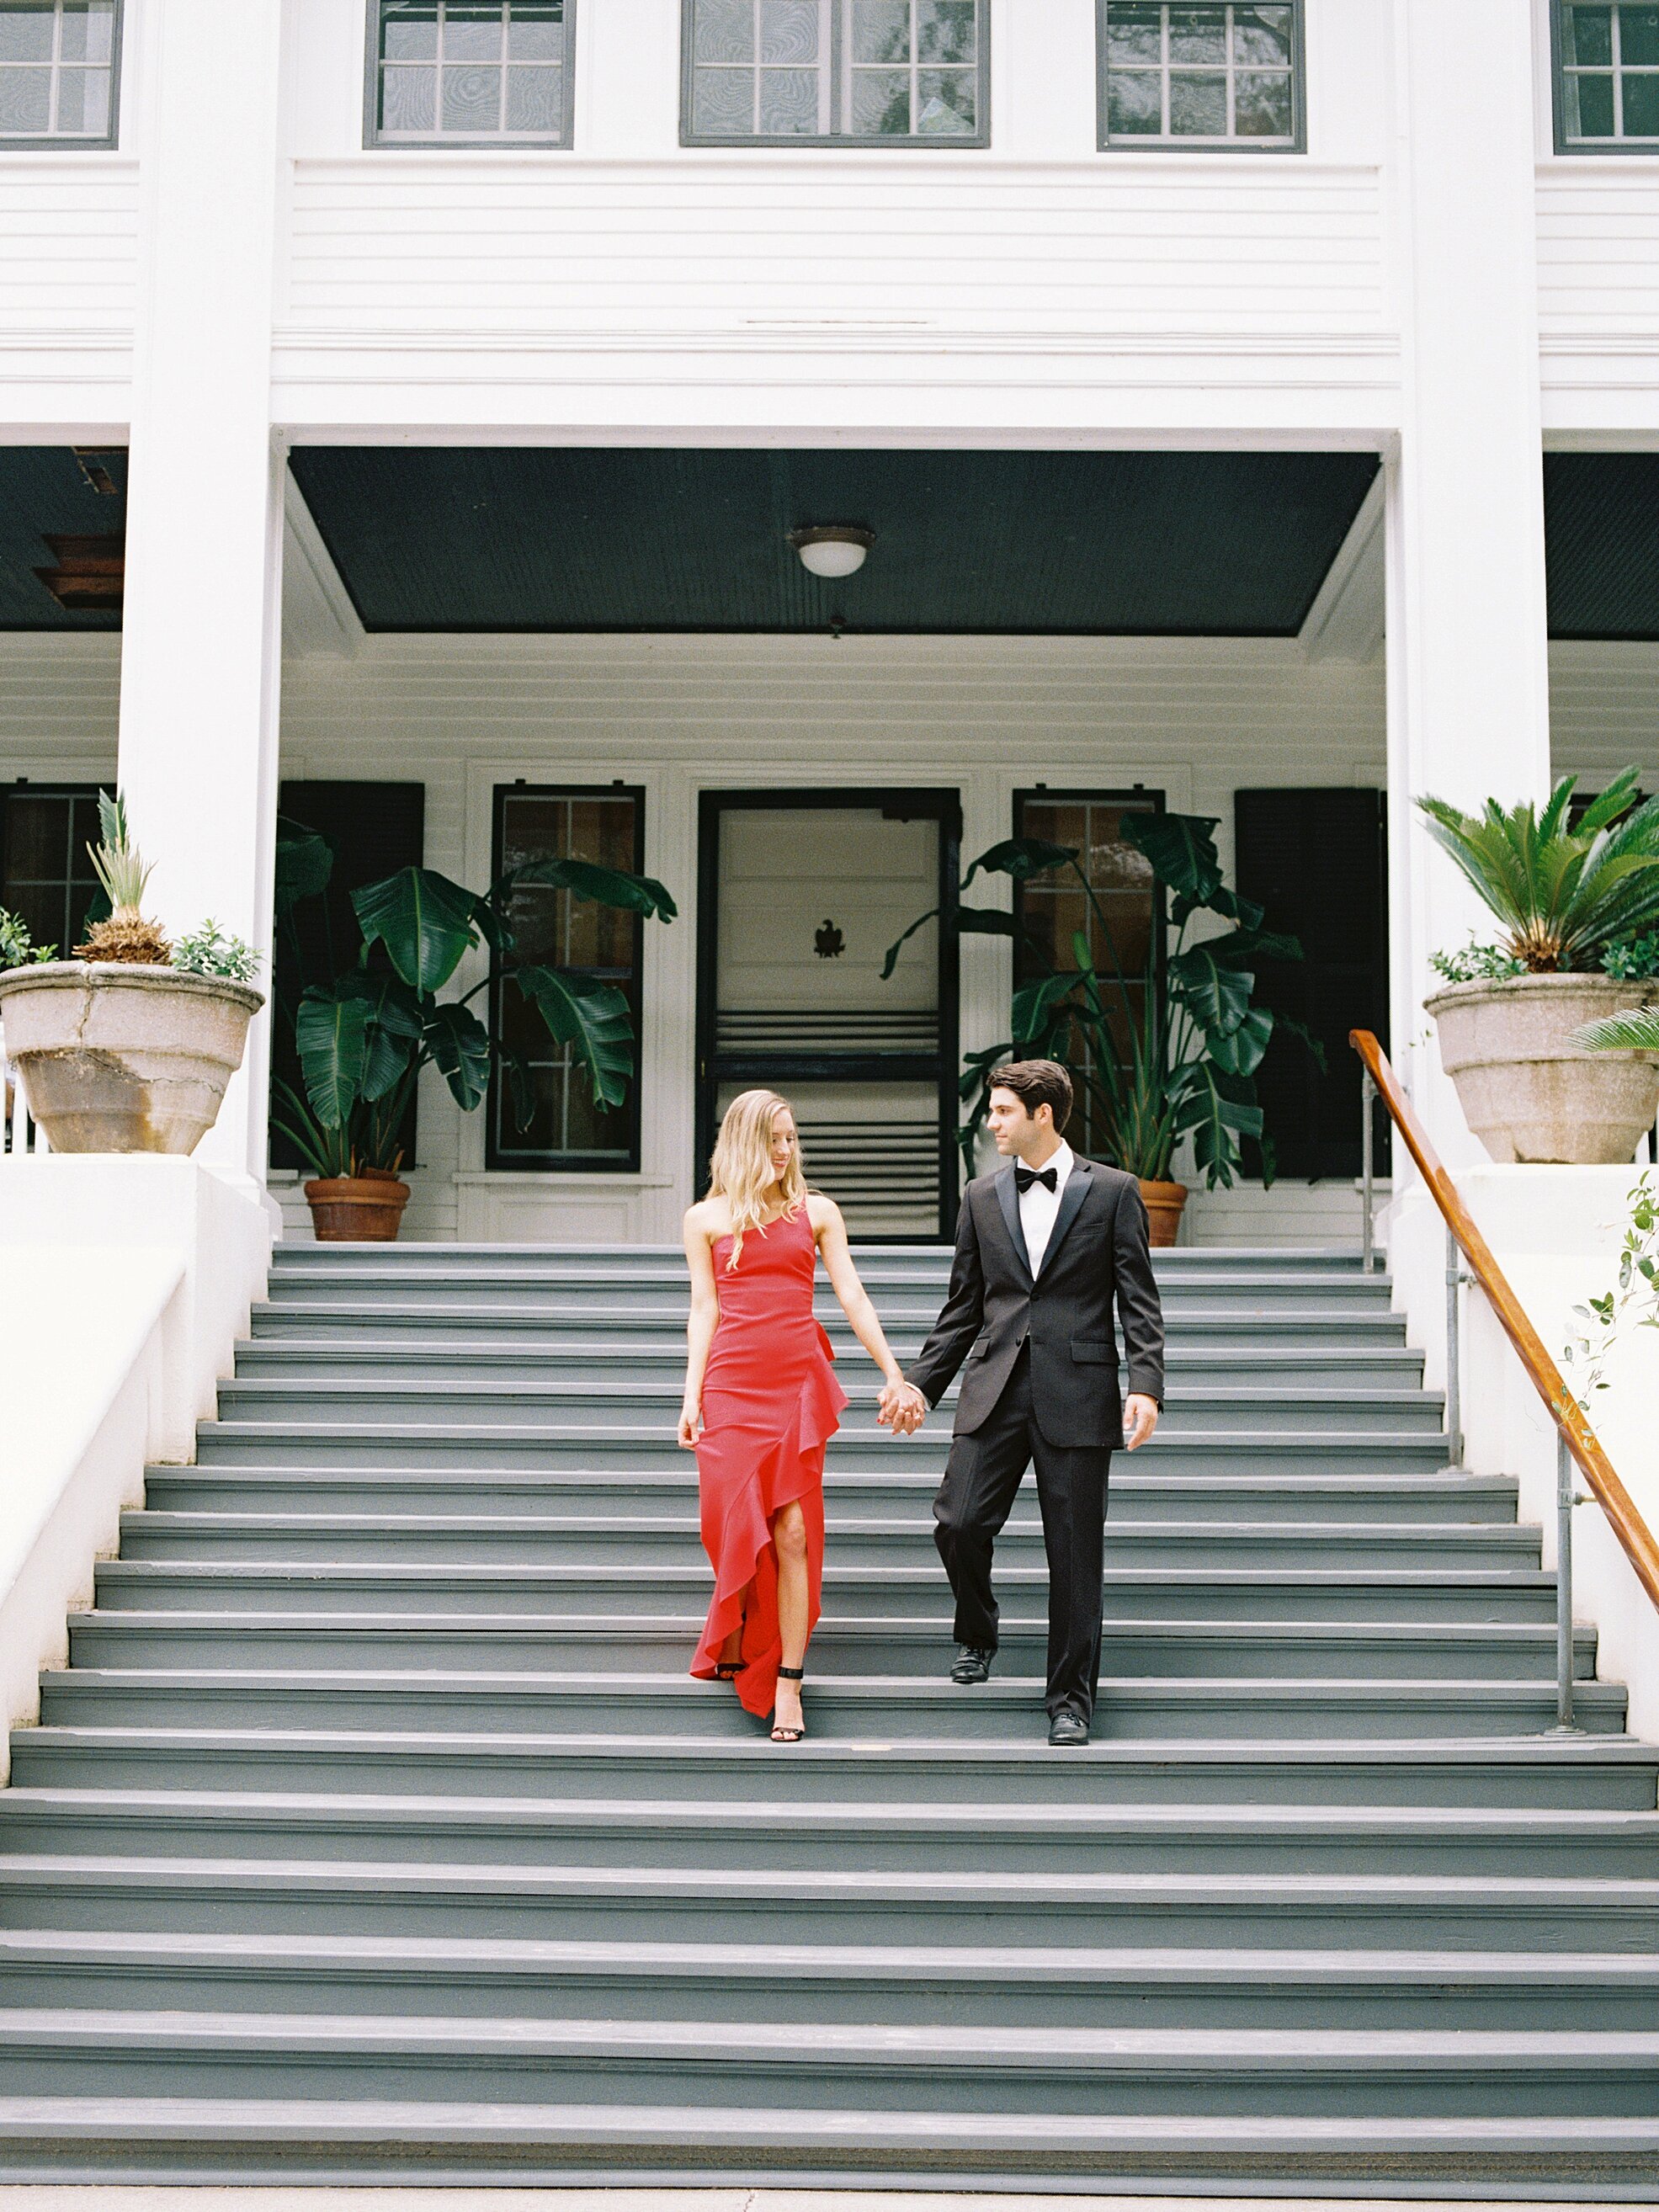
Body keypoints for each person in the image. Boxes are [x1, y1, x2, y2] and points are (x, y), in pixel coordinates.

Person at [889, 1060, 1165, 1747]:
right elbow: (961, 1309)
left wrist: (1146, 1384)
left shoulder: (1114, 1192)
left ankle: (1070, 1701)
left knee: (1075, 1557)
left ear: (1042, 1115)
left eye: (1002, 1110)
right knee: (956, 1521)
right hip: (994, 1387)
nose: (991, 1122)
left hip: (1077, 1391)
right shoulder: (981, 1197)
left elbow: (1138, 1300)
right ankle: (977, 1632)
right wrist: (921, 1385)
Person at [680, 1088, 915, 1744]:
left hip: (794, 1385)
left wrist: (893, 1372)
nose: (786, 1152)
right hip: (731, 1386)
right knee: (725, 1524)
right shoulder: (704, 1219)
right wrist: (691, 1394)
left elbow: (851, 1293)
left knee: (792, 1533)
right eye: (774, 1140)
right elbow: (704, 1309)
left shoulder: (816, 1211)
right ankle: (735, 1633)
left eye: (791, 1139)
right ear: (744, 1142)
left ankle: (787, 1679)